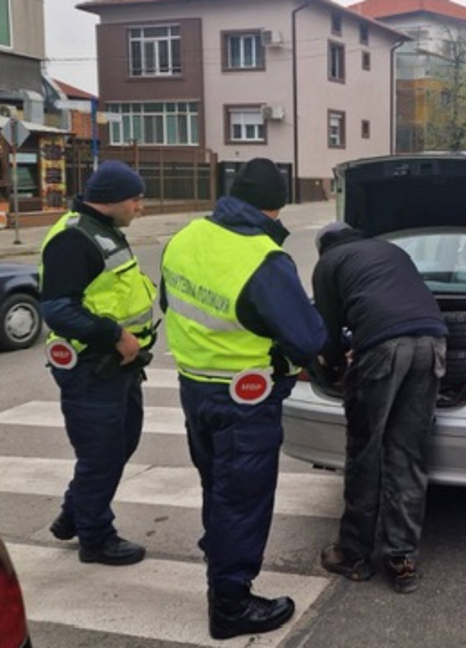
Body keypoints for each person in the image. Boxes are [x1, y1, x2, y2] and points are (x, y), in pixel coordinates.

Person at [160, 158, 326, 640]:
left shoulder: (186, 237)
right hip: (245, 398)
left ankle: (220, 550)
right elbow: (308, 338)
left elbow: (173, 304)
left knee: (218, 484)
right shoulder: (263, 258)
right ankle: (230, 604)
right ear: (274, 208)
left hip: (196, 387)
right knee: (244, 498)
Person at [312, 222, 447, 594]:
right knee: (408, 452)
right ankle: (402, 559)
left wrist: (336, 366)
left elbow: (327, 327)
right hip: (433, 342)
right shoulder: (391, 250)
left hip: (384, 350)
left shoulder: (329, 263)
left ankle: (353, 554)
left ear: (323, 247)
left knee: (365, 450)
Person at [40, 160, 156, 567]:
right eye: (136, 199)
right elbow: (57, 309)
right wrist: (116, 336)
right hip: (92, 368)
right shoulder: (73, 240)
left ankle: (75, 514)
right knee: (101, 454)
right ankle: (96, 538)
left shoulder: (103, 231)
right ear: (112, 201)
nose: (140, 207)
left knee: (121, 444)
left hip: (119, 366)